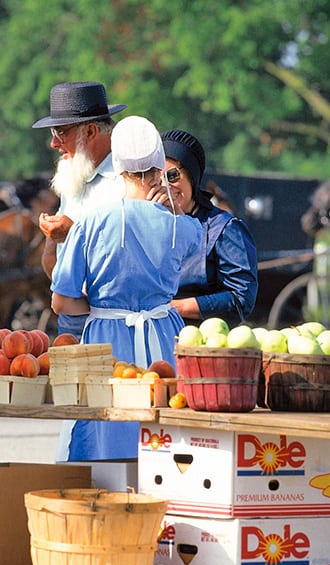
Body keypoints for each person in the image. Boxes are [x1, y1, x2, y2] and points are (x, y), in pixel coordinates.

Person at [51, 116, 202, 461]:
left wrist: (98, 309)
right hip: (165, 338)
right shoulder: (183, 228)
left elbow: (62, 302)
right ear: (158, 168)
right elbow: (197, 244)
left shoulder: (91, 223)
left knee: (105, 439)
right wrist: (175, 211)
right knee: (166, 435)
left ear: (117, 167)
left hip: (106, 344)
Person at [32, 81, 126, 339]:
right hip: (74, 316)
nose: (54, 143)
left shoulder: (126, 179)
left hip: (113, 320)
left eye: (60, 132)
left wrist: (72, 232)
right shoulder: (75, 175)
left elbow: (128, 248)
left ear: (92, 131)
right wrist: (52, 245)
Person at [160, 129, 258, 327]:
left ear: (192, 177)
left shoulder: (225, 229)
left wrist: (174, 308)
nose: (166, 185)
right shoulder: (147, 226)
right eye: (157, 177)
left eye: (172, 176)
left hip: (202, 341)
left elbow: (241, 298)